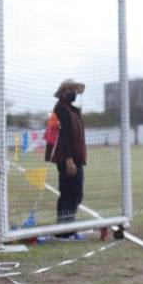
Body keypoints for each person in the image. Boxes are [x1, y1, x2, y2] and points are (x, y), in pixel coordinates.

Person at [48, 79, 87, 240]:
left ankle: (67, 228)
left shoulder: (71, 109)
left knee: (75, 193)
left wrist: (78, 87)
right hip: (67, 159)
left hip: (75, 158)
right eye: (70, 90)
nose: (74, 94)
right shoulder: (60, 108)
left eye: (74, 91)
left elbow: (81, 88)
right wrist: (68, 159)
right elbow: (62, 137)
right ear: (64, 92)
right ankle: (64, 230)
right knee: (70, 193)